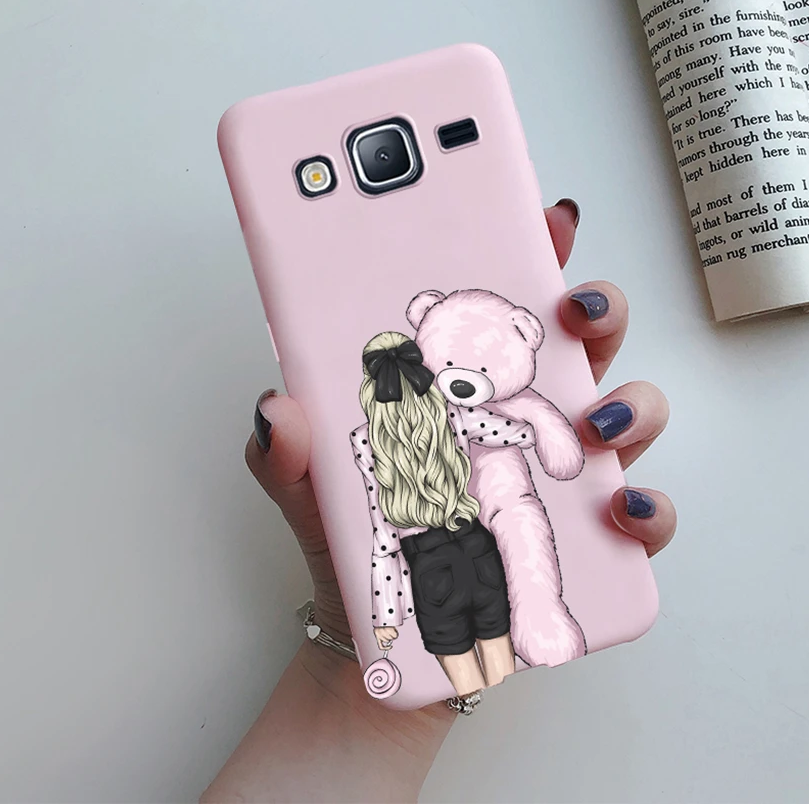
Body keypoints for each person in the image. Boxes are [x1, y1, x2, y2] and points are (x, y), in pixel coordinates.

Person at [201, 199, 676, 803]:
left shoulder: (413, 426)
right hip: (443, 545)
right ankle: (523, 622)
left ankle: (539, 615)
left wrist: (555, 435)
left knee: (520, 535)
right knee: (495, 574)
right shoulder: (414, 421)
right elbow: (477, 443)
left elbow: (540, 445)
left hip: (464, 532)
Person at [353, 331, 515, 697]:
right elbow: (513, 432)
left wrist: (386, 613)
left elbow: (384, 534)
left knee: (467, 686)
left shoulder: (366, 440)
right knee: (503, 670)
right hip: (478, 547)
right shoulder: (452, 413)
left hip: (429, 568)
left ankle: (473, 712)